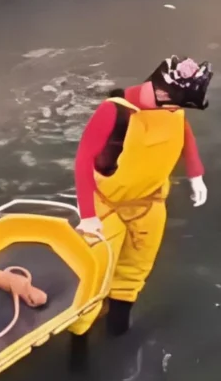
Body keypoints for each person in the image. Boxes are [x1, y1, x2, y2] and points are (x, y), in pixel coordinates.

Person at [70, 56, 213, 337]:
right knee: (95, 271)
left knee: (135, 271)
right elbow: (83, 160)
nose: (178, 110)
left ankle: (118, 329)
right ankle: (79, 338)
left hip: (149, 203)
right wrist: (87, 215)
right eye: (178, 103)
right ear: (161, 91)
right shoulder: (114, 112)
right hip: (106, 206)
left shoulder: (173, 109)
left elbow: (185, 135)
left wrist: (196, 174)